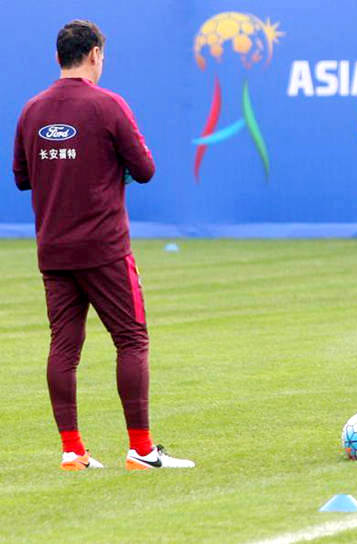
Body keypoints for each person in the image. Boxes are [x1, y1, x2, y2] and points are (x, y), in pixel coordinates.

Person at [12, 20, 194, 470]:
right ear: (94, 54)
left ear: (58, 58)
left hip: (54, 249)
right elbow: (145, 168)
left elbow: (21, 178)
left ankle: (72, 451)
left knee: (64, 348)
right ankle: (141, 449)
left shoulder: (31, 110)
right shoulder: (108, 105)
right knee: (131, 340)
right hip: (105, 249)